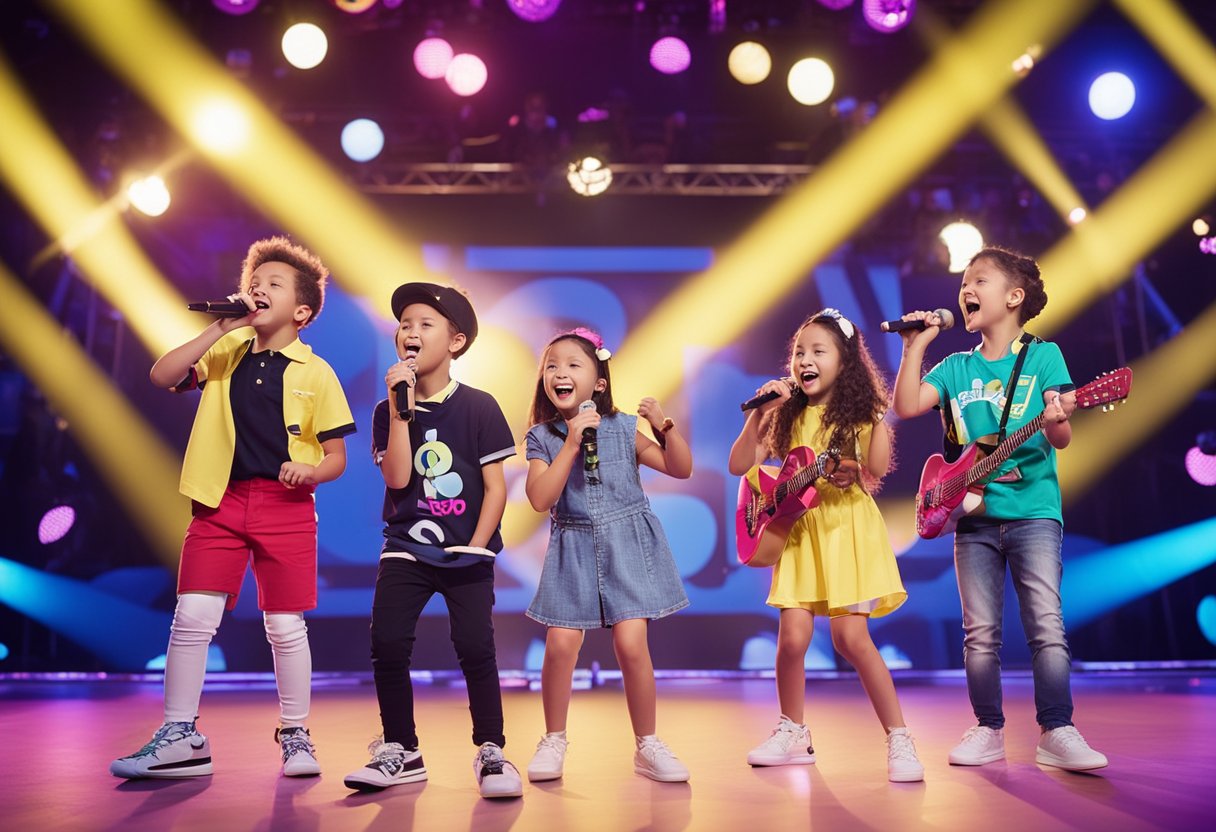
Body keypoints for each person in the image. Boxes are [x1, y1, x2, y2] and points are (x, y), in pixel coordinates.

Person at [110, 237, 356, 779]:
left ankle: (295, 733)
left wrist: (310, 471)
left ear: (303, 310)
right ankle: (180, 735)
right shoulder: (224, 352)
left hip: (286, 506)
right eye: (255, 281)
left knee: (285, 626)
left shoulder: (317, 373)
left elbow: (337, 455)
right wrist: (220, 327)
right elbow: (162, 375)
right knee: (192, 618)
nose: (258, 289)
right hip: (219, 501)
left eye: (274, 284)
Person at [892, 246, 1107, 772]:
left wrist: (1058, 414)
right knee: (980, 633)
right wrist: (913, 346)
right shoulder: (955, 366)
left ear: (1013, 297)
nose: (966, 289)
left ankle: (1057, 730)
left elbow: (1060, 438)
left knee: (1046, 625)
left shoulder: (1043, 356)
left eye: (978, 280)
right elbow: (905, 405)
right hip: (974, 520)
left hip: (1034, 511)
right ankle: (988, 728)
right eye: (964, 282)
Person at [343, 282, 523, 799]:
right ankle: (403, 749)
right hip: (406, 546)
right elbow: (398, 479)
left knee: (474, 645)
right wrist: (401, 410)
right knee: (388, 643)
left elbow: (494, 488)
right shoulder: (387, 410)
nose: (411, 333)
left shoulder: (479, 407)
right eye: (405, 325)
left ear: (457, 342)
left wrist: (479, 544)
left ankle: (491, 750)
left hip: (467, 550)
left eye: (425, 324)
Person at [728, 309, 925, 783]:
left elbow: (875, 467)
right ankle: (793, 731)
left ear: (846, 361)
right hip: (797, 531)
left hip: (845, 529)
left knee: (851, 639)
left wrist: (877, 423)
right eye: (799, 352)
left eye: (818, 351)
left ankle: (899, 737)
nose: (804, 360)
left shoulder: (858, 412)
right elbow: (741, 466)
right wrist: (758, 415)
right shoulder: (786, 410)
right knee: (792, 639)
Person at [522, 328, 693, 784]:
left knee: (632, 644)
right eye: (552, 365)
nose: (560, 372)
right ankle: (554, 738)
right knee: (560, 644)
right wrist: (572, 441)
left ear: (598, 382)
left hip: (627, 545)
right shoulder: (542, 437)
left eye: (573, 365)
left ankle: (647, 745)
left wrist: (665, 425)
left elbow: (680, 467)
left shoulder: (621, 427)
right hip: (572, 547)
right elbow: (540, 498)